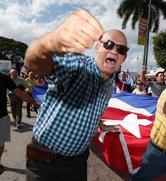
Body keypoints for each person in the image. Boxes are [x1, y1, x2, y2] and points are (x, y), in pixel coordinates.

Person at [24, 9, 129, 181]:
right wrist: (53, 40)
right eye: (109, 45)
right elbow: (35, 62)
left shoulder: (110, 85)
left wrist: (101, 125)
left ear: (124, 58)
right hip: (45, 164)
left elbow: (94, 110)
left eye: (121, 49)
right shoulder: (78, 66)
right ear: (97, 47)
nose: (115, 51)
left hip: (78, 164)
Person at [0, 72, 36, 175]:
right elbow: (19, 93)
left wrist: (33, 102)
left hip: (1, 116)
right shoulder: (4, 77)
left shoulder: (3, 77)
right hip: (2, 116)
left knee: (1, 144)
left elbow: (19, 92)